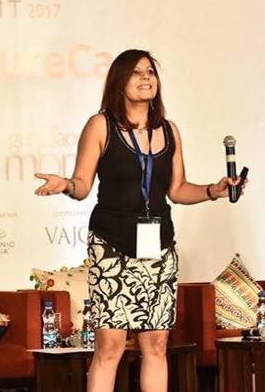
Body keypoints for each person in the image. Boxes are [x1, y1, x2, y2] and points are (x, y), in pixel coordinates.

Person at [34, 49, 246, 392]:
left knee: (157, 344)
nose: (146, 78)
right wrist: (66, 185)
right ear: (120, 81)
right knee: (110, 345)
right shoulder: (101, 125)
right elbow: (83, 184)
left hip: (159, 247)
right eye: (136, 72)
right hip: (112, 245)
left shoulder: (169, 130)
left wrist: (213, 190)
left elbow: (176, 189)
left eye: (150, 72)